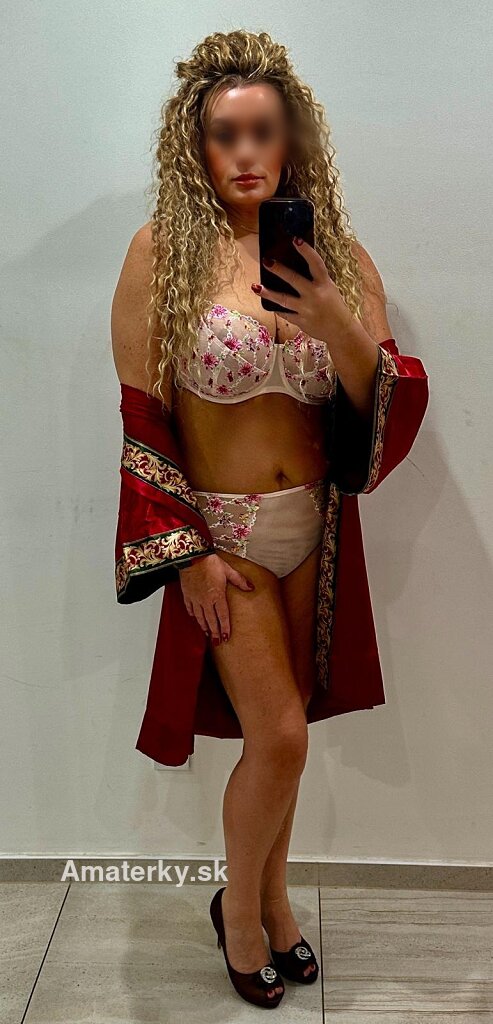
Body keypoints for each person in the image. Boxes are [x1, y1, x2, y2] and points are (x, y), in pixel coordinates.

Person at [111, 29, 429, 1010]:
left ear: (292, 142)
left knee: (282, 740)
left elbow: (384, 407)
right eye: (225, 135)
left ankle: (275, 903)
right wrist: (187, 555)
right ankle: (240, 916)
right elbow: (142, 417)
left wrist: (334, 321)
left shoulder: (338, 260)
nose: (246, 153)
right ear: (197, 146)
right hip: (225, 537)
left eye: (264, 132)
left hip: (314, 537)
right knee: (281, 737)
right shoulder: (164, 254)